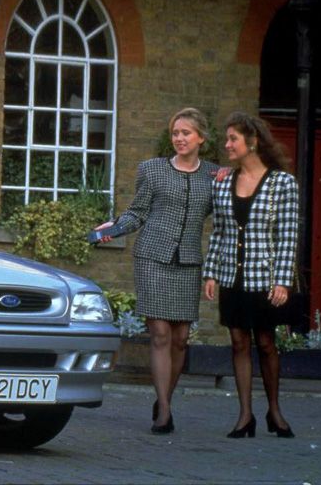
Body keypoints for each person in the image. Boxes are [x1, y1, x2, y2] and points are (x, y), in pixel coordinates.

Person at [93, 108, 220, 434]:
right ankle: (164, 410)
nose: (179, 138)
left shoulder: (215, 176)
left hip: (188, 262)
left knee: (180, 339)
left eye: (186, 133)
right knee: (161, 334)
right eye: (175, 133)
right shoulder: (152, 170)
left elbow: (224, 222)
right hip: (152, 257)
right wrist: (114, 229)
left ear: (201, 138)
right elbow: (137, 213)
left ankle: (165, 396)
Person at [203, 112, 299, 439]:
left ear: (252, 142)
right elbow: (219, 232)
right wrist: (212, 273)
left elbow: (287, 236)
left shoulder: (282, 183)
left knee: (266, 342)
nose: (227, 145)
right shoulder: (224, 182)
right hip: (233, 278)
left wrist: (283, 281)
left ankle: (274, 410)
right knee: (238, 342)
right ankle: (245, 415)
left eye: (233, 139)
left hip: (266, 279)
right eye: (227, 139)